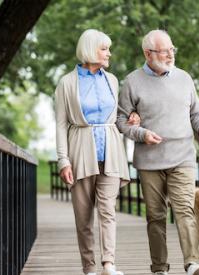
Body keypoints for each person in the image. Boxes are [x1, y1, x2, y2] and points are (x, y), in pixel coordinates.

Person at [116, 29, 199, 275]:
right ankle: (159, 267)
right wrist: (141, 134)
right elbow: (121, 120)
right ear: (147, 53)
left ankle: (193, 263)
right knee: (155, 215)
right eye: (164, 51)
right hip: (149, 161)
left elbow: (196, 112)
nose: (170, 55)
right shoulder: (132, 81)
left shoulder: (184, 78)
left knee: (185, 209)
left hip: (182, 156)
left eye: (172, 50)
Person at [55, 29, 133, 275]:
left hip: (111, 150)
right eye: (104, 49)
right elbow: (60, 124)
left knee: (108, 210)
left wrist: (131, 117)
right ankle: (89, 268)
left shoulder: (111, 80)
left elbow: (117, 113)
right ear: (90, 49)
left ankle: (108, 264)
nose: (109, 53)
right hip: (80, 152)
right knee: (83, 216)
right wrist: (62, 160)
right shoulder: (67, 83)